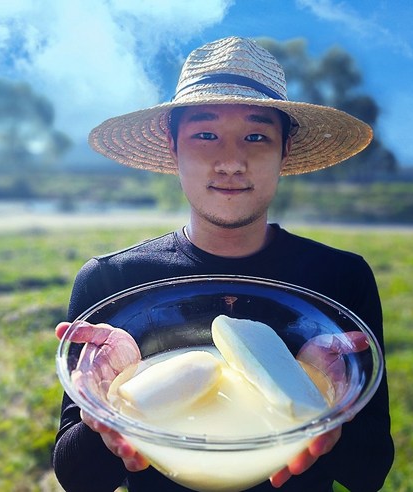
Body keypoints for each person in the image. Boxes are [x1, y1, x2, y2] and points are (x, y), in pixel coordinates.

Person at [53, 36, 394, 491]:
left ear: (284, 151)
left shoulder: (339, 278)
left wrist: (323, 407)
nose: (231, 162)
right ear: (173, 147)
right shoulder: (114, 282)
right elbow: (77, 479)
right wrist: (105, 412)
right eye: (205, 135)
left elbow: (370, 472)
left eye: (256, 136)